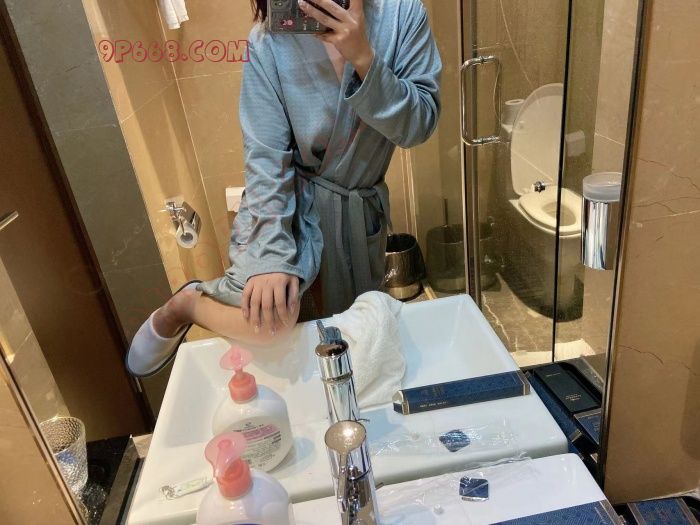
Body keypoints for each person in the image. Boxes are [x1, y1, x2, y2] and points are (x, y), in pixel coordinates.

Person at [127, 0, 441, 376]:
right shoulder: (268, 42)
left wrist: (363, 57)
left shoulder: (402, 15)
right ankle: (188, 304)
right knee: (271, 325)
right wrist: (271, 257)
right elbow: (265, 157)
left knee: (350, 339)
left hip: (356, 213)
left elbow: (419, 126)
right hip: (285, 203)